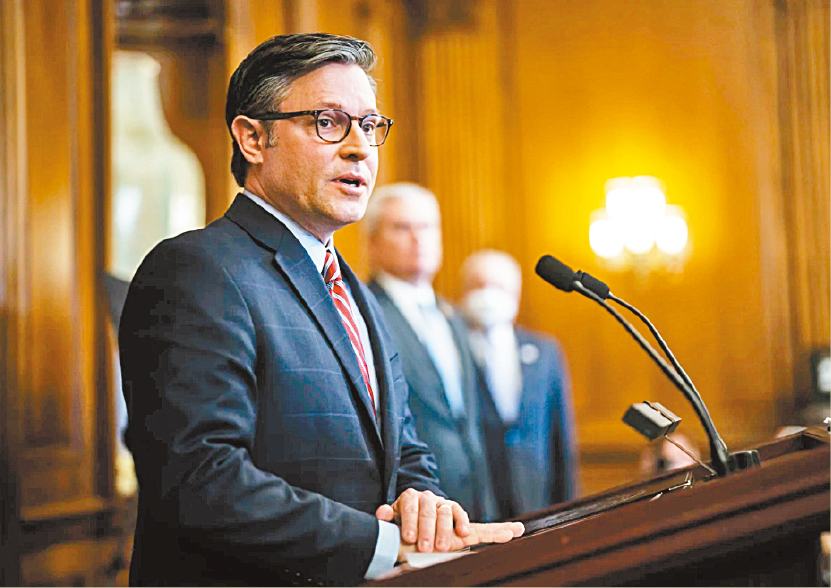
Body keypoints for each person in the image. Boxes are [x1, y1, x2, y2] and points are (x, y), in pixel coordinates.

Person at [119, 33, 522, 587]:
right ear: (253, 138)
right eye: (329, 122)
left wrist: (422, 502)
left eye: (370, 125)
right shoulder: (196, 270)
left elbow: (404, 448)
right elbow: (199, 477)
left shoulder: (356, 290)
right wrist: (383, 545)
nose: (360, 148)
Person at [362, 183, 500, 522]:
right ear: (372, 241)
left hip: (474, 505)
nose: (418, 238)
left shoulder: (453, 317)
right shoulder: (362, 312)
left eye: (427, 227)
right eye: (402, 227)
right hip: (412, 510)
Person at [459, 249, 579, 518]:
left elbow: (560, 434)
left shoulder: (545, 351)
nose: (488, 294)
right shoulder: (450, 351)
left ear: (515, 294)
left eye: (498, 287)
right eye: (479, 285)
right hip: (475, 501)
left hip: (535, 497)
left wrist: (570, 509)